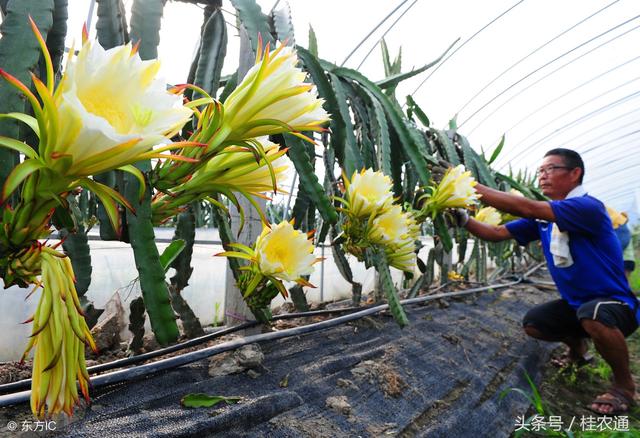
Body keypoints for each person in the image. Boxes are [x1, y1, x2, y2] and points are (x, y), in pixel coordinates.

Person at [444, 148, 639, 415]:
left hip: (615, 305)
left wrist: (465, 184)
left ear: (575, 173)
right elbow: (497, 232)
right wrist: (464, 220)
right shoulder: (544, 220)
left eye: (550, 169)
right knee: (535, 324)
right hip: (579, 305)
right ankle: (578, 349)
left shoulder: (588, 207)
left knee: (593, 314)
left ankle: (624, 387)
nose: (543, 176)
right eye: (540, 171)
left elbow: (526, 206)